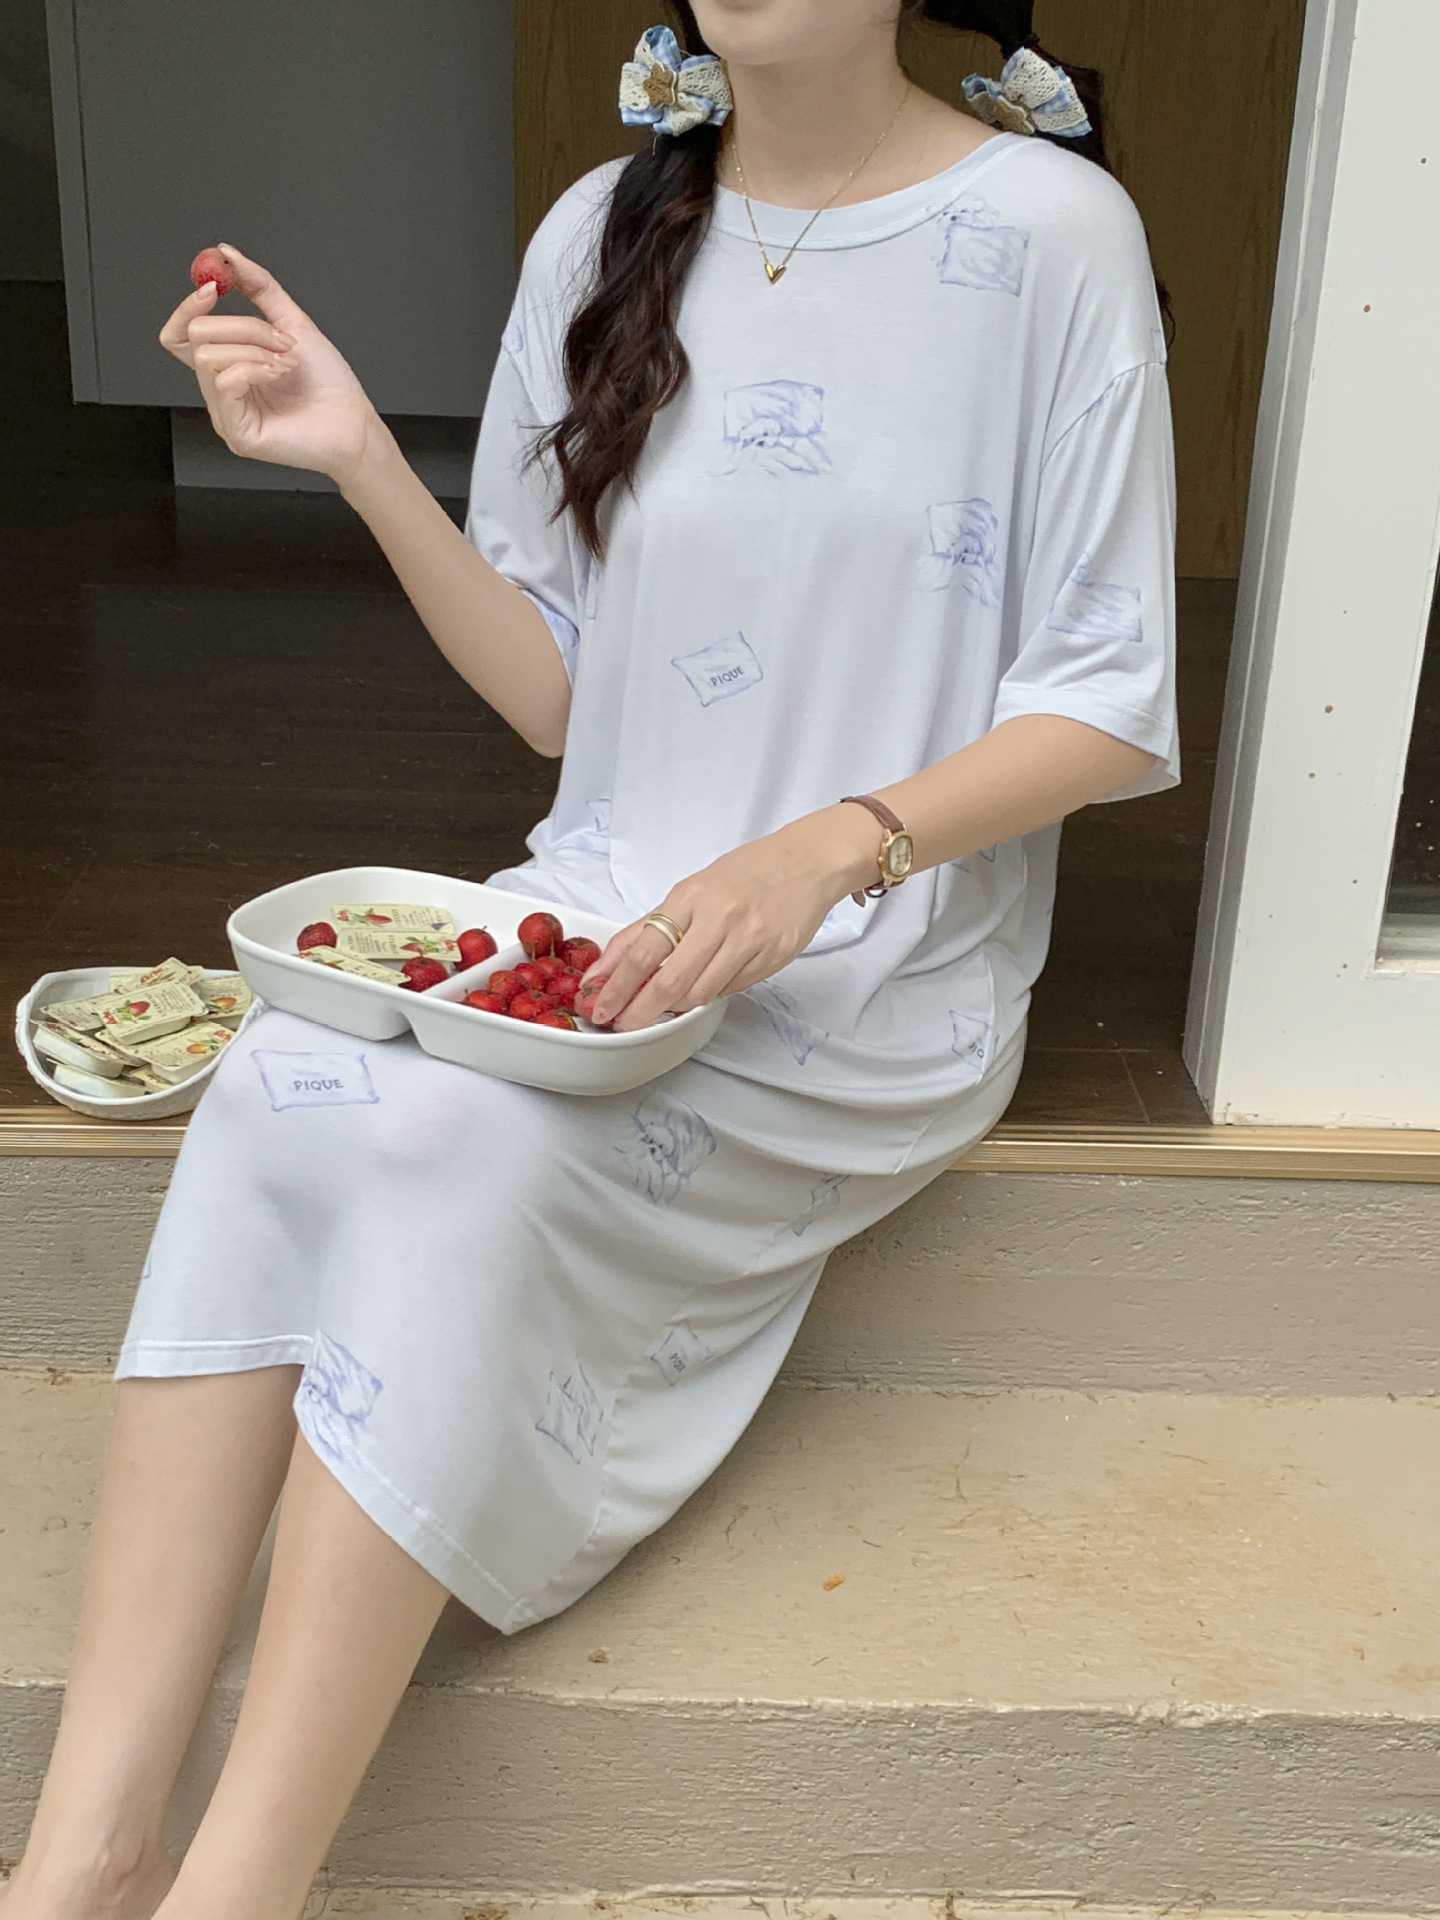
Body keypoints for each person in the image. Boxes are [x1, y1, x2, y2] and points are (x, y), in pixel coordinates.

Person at [7, 1, 1177, 1914]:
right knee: (278, 1086)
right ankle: (85, 1850)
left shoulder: (1051, 232)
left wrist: (837, 846)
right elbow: (560, 696)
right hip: (604, 916)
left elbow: (1112, 702)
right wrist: (359, 454)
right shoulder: (602, 227)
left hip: (870, 973)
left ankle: (240, 1888)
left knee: (453, 1155)